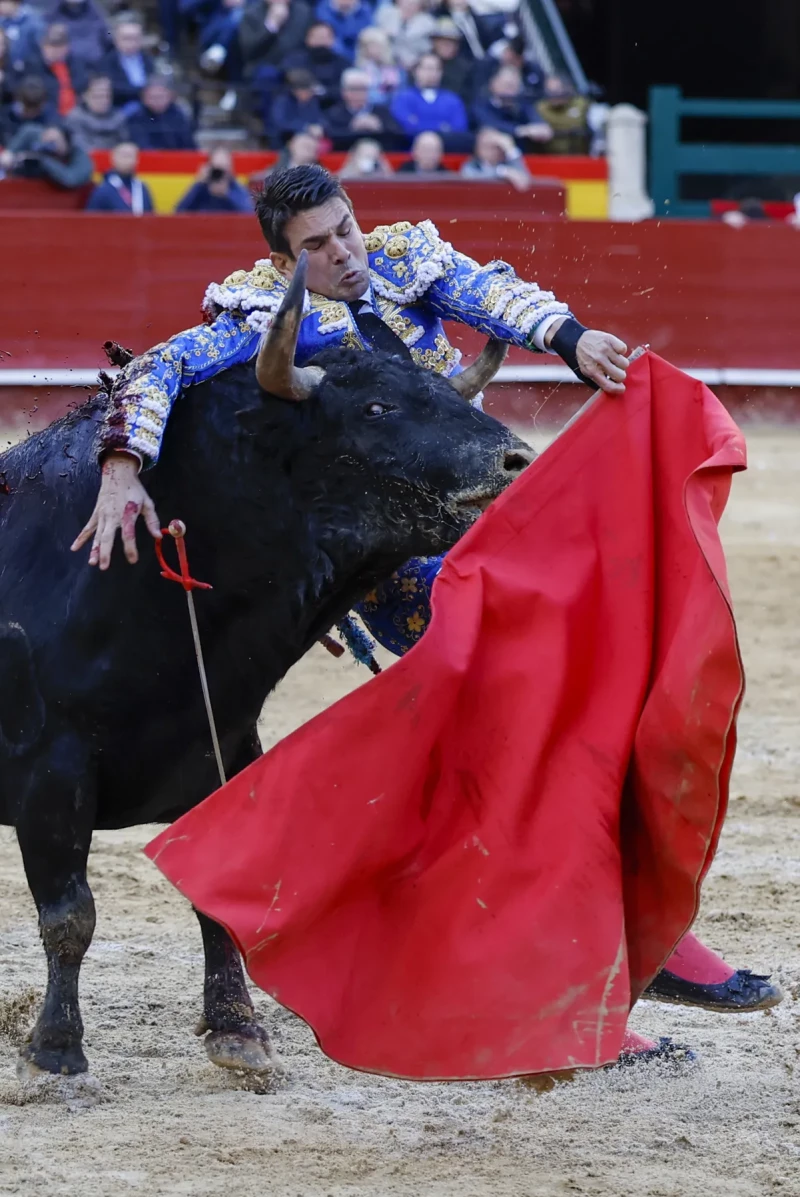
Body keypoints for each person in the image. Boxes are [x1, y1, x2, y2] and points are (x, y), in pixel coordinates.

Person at [71, 163, 779, 1034]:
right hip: (399, 566)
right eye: (317, 246)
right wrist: (120, 466)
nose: (344, 252)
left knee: (590, 678)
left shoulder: (406, 258)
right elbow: (154, 370)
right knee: (541, 724)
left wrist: (567, 334)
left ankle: (602, 952)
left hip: (484, 502)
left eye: (347, 228)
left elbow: (487, 291)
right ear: (282, 255)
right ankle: (608, 960)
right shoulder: (258, 311)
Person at [389, 51, 468, 148]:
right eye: (428, 68)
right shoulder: (403, 97)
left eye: (437, 69)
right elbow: (406, 128)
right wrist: (442, 127)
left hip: (447, 151)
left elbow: (459, 129)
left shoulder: (452, 100)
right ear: (416, 71)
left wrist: (420, 123)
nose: (433, 73)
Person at [472, 63, 551, 150]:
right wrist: (521, 130)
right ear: (493, 84)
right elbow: (490, 124)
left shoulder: (522, 105)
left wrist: (541, 128)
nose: (510, 90)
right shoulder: (481, 105)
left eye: (514, 86)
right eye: (507, 85)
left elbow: (537, 121)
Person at [323, 66, 402, 151]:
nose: (359, 93)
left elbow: (398, 134)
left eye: (363, 89)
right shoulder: (335, 113)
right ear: (344, 92)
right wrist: (352, 128)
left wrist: (379, 127)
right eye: (354, 89)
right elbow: (331, 136)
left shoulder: (382, 111)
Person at [23, 22, 88, 116]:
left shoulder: (76, 63)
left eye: (60, 45)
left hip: (76, 115)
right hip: (45, 116)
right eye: (51, 45)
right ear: (42, 45)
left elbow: (82, 87)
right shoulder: (32, 65)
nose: (55, 50)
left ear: (67, 47)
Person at [0, 118, 92, 185]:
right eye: (46, 140)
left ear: (67, 143)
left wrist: (43, 160)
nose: (48, 145)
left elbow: (71, 179)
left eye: (53, 142)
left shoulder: (80, 156)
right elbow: (7, 156)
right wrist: (15, 158)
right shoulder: (32, 134)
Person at [282, 20, 348, 103]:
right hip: (298, 103)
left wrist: (323, 92)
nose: (321, 41)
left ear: (333, 39)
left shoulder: (343, 63)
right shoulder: (294, 59)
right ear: (307, 39)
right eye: (317, 37)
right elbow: (291, 78)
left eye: (325, 37)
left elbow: (343, 89)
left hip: (333, 106)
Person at [97, 15, 154, 109]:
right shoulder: (107, 61)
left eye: (136, 38)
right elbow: (113, 89)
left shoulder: (147, 59)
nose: (132, 43)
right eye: (127, 38)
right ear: (116, 39)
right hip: (120, 107)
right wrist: (142, 91)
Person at [175, 145, 253, 211]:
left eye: (223, 168)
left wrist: (228, 194)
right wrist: (198, 184)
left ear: (230, 169)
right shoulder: (202, 187)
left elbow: (250, 215)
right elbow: (179, 212)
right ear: (209, 167)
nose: (219, 173)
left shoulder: (235, 187)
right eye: (216, 168)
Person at [126, 76, 195, 149]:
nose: (157, 101)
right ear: (143, 98)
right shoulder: (136, 117)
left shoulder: (178, 115)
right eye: (152, 97)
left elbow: (189, 145)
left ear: (170, 96)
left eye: (161, 97)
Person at [85, 138, 154, 211]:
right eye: (124, 155)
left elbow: (151, 218)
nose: (128, 160)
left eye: (131, 156)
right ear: (113, 158)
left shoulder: (142, 188)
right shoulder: (103, 190)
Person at [65, 72, 127, 148]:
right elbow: (81, 148)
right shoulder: (75, 118)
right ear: (85, 96)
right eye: (98, 96)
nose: (104, 101)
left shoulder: (118, 116)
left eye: (107, 96)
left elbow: (125, 144)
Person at [43, 0, 110, 69]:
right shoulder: (51, 16)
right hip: (66, 69)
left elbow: (107, 37)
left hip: (97, 66)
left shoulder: (96, 13)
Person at [460, 125, 530, 189]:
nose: (488, 151)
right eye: (485, 146)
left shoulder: (508, 164)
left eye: (494, 147)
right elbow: (471, 176)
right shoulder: (472, 165)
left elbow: (525, 178)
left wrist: (511, 149)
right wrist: (502, 172)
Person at [268, 67, 325, 147]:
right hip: (284, 143)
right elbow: (281, 123)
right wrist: (306, 128)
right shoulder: (282, 102)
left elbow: (319, 118)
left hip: (310, 142)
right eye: (308, 91)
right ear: (297, 91)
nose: (311, 94)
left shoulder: (312, 101)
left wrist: (320, 126)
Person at [535, 73, 590, 155]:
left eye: (556, 90)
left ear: (567, 89)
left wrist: (552, 127)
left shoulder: (581, 104)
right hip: (549, 158)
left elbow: (577, 123)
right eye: (549, 91)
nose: (552, 95)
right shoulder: (540, 107)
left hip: (579, 157)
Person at [375, 0, 435, 71]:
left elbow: (427, 48)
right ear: (398, 2)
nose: (409, 6)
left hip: (415, 65)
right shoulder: (385, 15)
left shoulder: (428, 23)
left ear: (419, 5)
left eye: (413, 3)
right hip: (387, 63)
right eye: (406, 2)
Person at [354, 26, 403, 106]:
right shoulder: (359, 70)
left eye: (377, 46)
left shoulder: (395, 70)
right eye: (371, 46)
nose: (374, 49)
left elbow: (399, 93)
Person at [0, 73, 52, 144]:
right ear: (18, 99)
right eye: (28, 107)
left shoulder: (48, 115)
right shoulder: (6, 116)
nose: (31, 113)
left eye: (35, 109)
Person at [429, 17, 471, 98]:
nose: (447, 46)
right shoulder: (423, 64)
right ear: (434, 42)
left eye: (452, 42)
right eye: (443, 41)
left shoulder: (466, 69)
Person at [0, 0, 41, 66]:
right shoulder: (1, 21)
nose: (1, 6)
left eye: (4, 2)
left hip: (28, 67)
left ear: (16, 2)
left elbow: (38, 48)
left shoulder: (33, 22)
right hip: (6, 67)